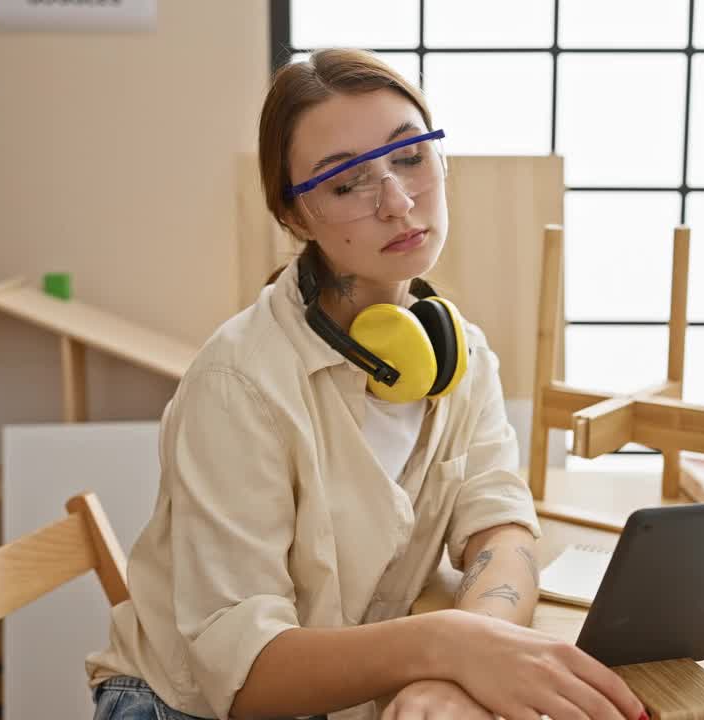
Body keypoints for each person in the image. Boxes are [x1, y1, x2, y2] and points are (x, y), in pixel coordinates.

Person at [85, 48, 647, 720]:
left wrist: (456, 667)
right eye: (345, 184)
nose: (398, 202)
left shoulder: (460, 352)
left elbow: (501, 528)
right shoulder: (237, 383)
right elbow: (243, 679)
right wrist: (446, 645)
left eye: (409, 157)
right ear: (294, 218)